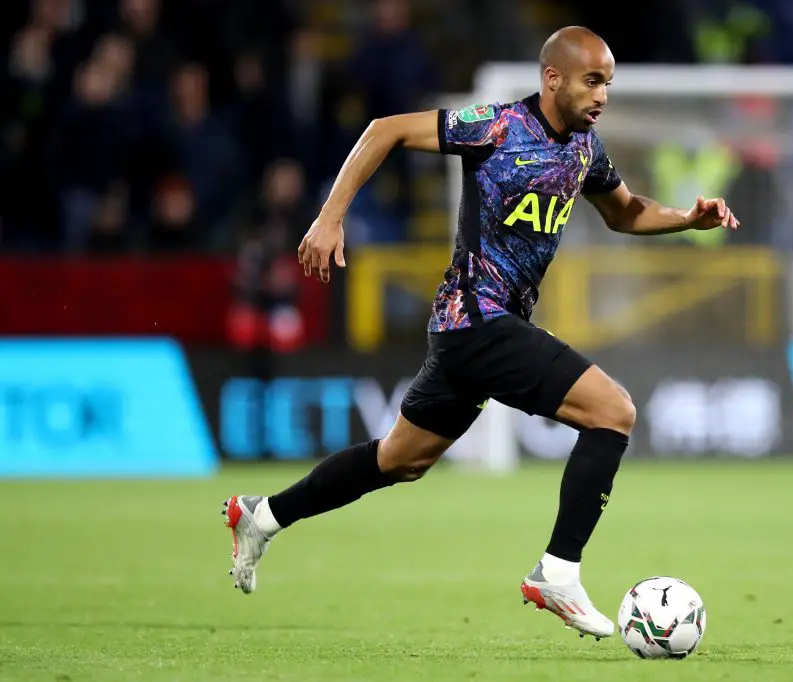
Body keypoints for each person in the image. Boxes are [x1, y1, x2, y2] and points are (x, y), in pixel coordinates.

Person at [222, 26, 739, 640]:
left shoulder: (584, 149)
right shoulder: (493, 126)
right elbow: (384, 128)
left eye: (608, 83)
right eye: (592, 81)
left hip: (473, 332)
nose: (602, 94)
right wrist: (330, 217)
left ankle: (263, 516)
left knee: (400, 459)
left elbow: (624, 211)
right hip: (477, 318)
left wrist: (686, 217)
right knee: (613, 412)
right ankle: (558, 571)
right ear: (554, 79)